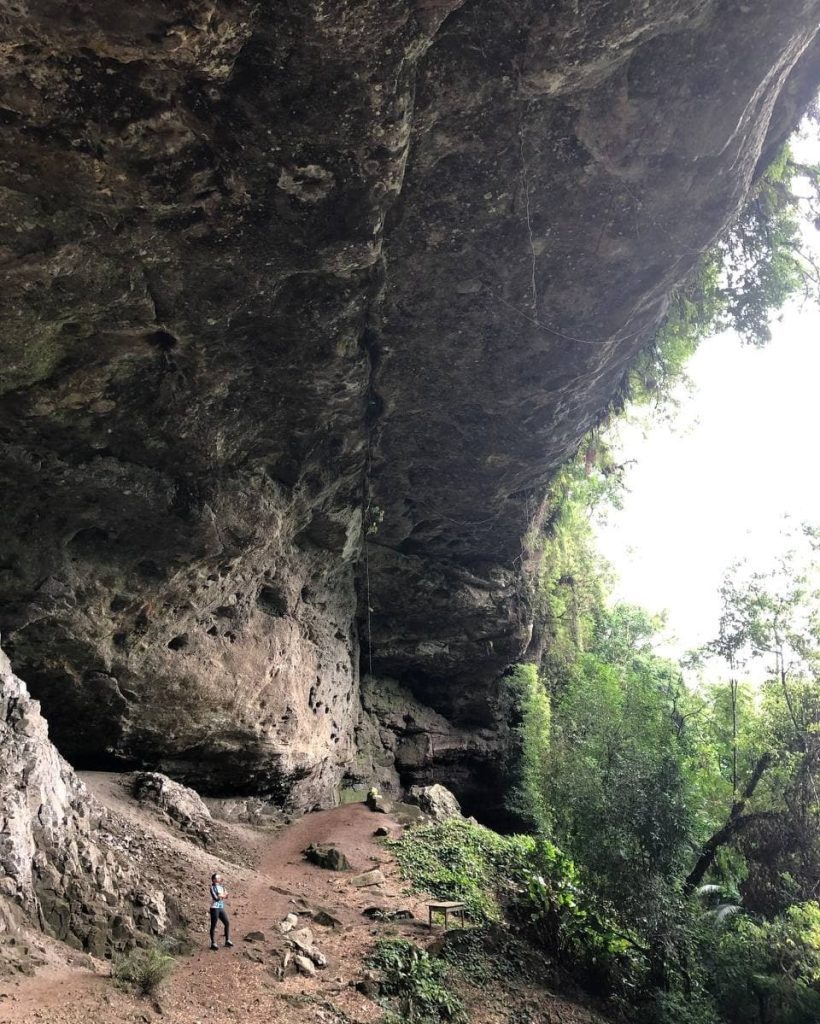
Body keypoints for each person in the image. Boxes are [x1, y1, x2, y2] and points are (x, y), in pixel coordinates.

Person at [209, 872, 233, 950]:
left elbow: (227, 895)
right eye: (217, 878)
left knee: (227, 923)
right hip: (214, 908)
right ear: (213, 880)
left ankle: (227, 940)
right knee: (213, 925)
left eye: (219, 878)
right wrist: (222, 895)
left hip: (220, 907)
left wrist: (221, 895)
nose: (219, 879)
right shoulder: (212, 887)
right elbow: (216, 898)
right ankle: (213, 943)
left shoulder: (222, 887)